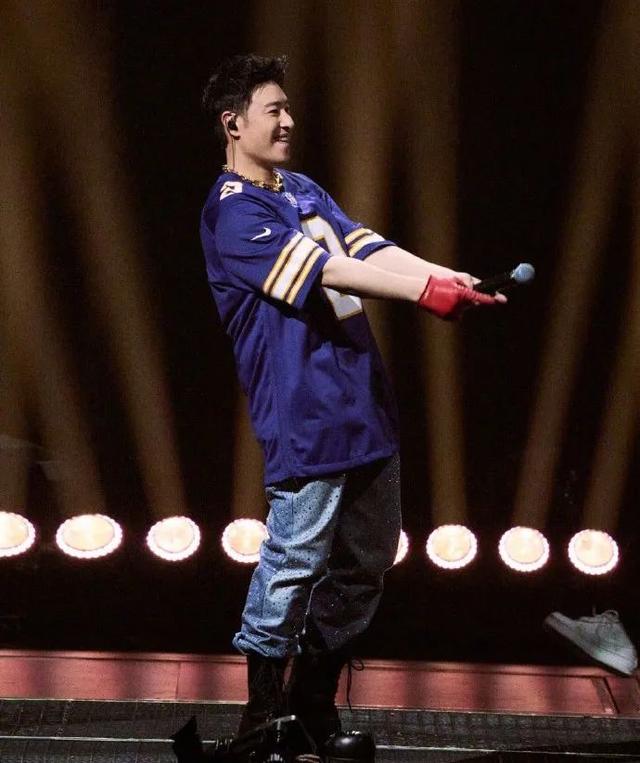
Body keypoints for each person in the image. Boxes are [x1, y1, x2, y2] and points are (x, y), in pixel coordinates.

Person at [198, 53, 504, 753]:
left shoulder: (302, 189)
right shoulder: (231, 213)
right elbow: (328, 269)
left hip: (366, 408)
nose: (288, 121)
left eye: (287, 107)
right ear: (233, 123)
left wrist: (450, 276)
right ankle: (261, 720)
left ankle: (311, 705)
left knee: (367, 564)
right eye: (274, 110)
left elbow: (368, 249)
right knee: (293, 563)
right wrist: (425, 294)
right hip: (307, 419)